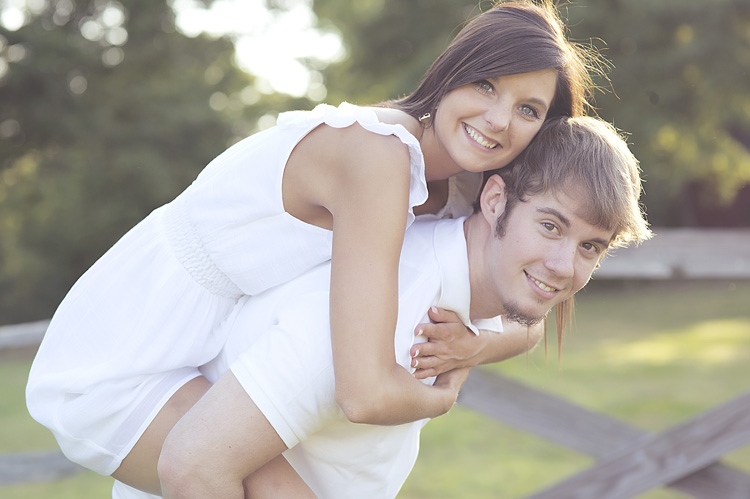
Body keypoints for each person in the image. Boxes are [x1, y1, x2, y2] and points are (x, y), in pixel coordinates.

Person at [26, 0, 603, 489]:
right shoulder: (377, 158)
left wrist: (472, 348)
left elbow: (526, 316)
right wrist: (442, 394)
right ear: (452, 71)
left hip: (215, 353)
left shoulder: (467, 186)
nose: (500, 120)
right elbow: (366, 390)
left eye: (527, 110)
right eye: (485, 84)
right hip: (130, 346)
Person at [119, 115, 650, 499]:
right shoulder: (388, 310)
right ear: (494, 201)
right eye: (551, 226)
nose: (562, 266)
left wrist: (480, 346)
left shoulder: (476, 282)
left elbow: (527, 329)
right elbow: (192, 468)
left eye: (590, 248)